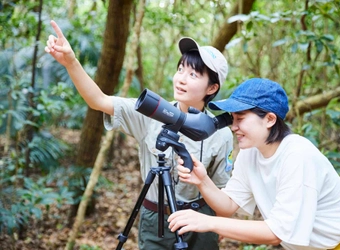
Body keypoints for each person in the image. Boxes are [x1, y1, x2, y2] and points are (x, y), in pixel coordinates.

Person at [45, 20, 233, 249]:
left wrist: (222, 224)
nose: (181, 78)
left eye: (193, 75)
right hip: (156, 220)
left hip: (200, 221)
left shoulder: (220, 134)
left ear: (212, 88)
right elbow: (99, 100)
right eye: (180, 69)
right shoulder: (152, 114)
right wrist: (70, 62)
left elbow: (223, 188)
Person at [168, 78, 340, 250]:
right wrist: (203, 181)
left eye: (240, 118)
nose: (234, 127)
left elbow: (277, 232)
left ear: (269, 119)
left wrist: (209, 222)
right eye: (232, 119)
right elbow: (229, 205)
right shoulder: (250, 153)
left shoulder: (297, 155)